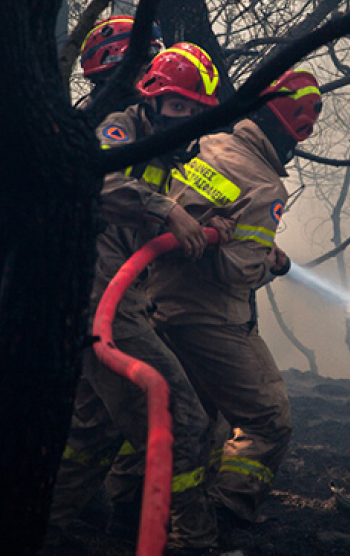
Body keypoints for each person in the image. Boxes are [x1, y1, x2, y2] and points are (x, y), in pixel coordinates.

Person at [48, 43, 225, 554]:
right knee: (181, 423)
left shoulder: (171, 158)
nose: (184, 121)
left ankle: (37, 531)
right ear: (151, 99)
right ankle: (193, 541)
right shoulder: (118, 129)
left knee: (91, 435)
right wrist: (164, 210)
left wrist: (210, 224)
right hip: (102, 305)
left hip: (116, 302)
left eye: (194, 113)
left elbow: (187, 204)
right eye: (177, 108)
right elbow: (96, 180)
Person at [147, 69, 322, 528]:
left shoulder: (205, 143)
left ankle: (147, 513)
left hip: (153, 301)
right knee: (268, 421)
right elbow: (237, 271)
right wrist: (267, 260)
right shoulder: (266, 188)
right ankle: (223, 514)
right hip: (210, 320)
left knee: (196, 419)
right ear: (287, 135)